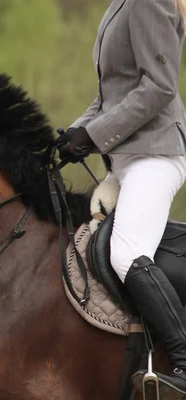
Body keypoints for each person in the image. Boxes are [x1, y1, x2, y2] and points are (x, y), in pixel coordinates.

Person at [58, 0, 186, 393]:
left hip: (155, 156)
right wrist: (73, 134)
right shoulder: (120, 4)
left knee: (126, 253)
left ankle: (183, 361)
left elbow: (160, 88)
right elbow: (108, 98)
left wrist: (93, 137)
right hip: (122, 161)